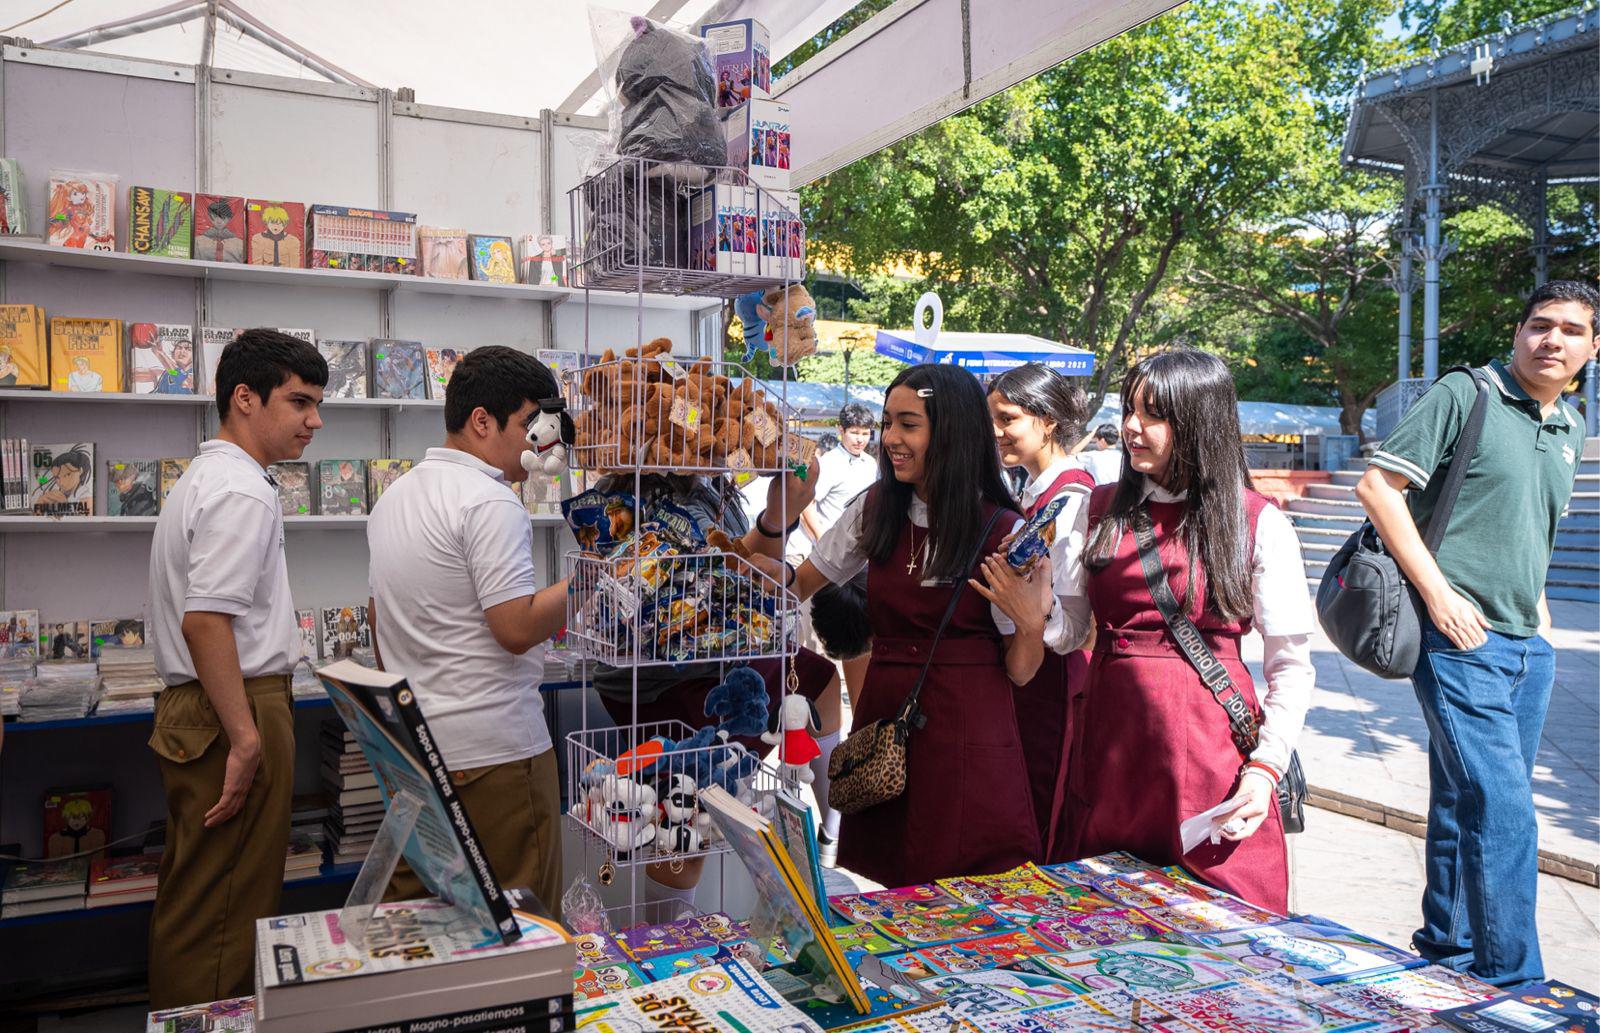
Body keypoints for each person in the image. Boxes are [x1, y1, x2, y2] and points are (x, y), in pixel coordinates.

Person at [1355, 280, 1597, 988]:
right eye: (1540, 324)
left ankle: (1451, 948)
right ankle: (1515, 982)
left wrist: (1541, 615)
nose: (1552, 340)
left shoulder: (1572, 426)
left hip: (1529, 646)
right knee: (1505, 806)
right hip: (1458, 638)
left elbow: (1534, 529)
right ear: (1518, 330)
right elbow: (1377, 487)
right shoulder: (1470, 393)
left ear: (1593, 347)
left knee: (1468, 801)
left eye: (1572, 330)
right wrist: (1439, 595)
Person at [1056, 349, 1314, 913]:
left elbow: (1291, 667)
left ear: (1199, 421)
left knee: (1229, 928)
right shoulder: (1095, 510)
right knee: (1102, 921)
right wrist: (1029, 609)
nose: (1130, 426)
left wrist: (1264, 772)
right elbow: (1069, 631)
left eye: (1152, 414)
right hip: (1111, 750)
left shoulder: (1258, 521)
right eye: (1128, 409)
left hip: (1213, 759)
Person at [779, 363, 1050, 888]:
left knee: (967, 885)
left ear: (949, 431)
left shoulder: (1004, 531)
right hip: (886, 716)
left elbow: (1021, 671)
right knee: (888, 884)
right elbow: (797, 584)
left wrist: (1030, 624)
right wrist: (770, 527)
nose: (890, 439)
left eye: (908, 424)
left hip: (967, 727)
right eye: (886, 423)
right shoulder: (877, 508)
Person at [145, 329, 327, 1008]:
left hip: (207, 705)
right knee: (224, 911)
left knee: (201, 897)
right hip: (233, 707)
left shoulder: (207, 477)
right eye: (299, 401)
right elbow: (206, 619)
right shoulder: (242, 490)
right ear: (244, 399)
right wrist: (247, 737)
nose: (314, 419)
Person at [368, 346, 572, 914]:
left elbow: (376, 616)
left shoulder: (395, 496)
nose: (543, 444)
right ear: (482, 421)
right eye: (531, 426)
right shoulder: (490, 501)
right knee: (521, 933)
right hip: (499, 755)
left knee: (430, 931)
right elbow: (514, 626)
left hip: (422, 749)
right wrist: (596, 580)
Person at [591, 460, 836, 913]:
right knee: (692, 808)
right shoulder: (631, 499)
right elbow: (706, 580)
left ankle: (830, 841)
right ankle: (668, 941)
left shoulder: (710, 489)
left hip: (713, 660)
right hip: (667, 679)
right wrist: (773, 520)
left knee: (817, 675)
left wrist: (773, 525)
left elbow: (744, 572)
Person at [984, 363, 1094, 859]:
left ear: (1047, 421)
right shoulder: (1034, 493)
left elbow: (1075, 626)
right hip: (1030, 678)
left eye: (1007, 419)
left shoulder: (1071, 500)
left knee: (1042, 818)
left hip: (1052, 683)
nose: (997, 432)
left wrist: (1026, 615)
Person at [792, 402, 878, 866]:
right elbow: (806, 509)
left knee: (846, 682)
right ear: (843, 431)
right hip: (823, 574)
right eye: (857, 431)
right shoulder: (833, 466)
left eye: (869, 432)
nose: (863, 438)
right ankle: (834, 828)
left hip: (856, 584)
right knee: (815, 669)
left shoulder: (877, 470)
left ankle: (836, 828)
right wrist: (833, 549)